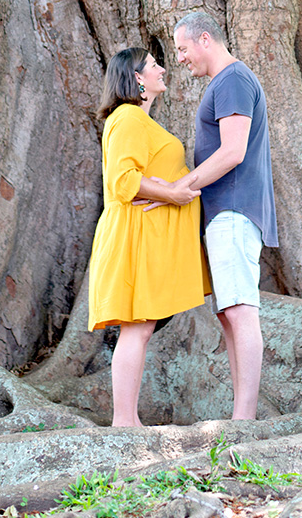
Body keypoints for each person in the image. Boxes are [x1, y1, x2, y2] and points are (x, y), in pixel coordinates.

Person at [87, 46, 209, 427]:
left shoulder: (139, 120)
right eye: (154, 65)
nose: (162, 69)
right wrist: (172, 193)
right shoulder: (126, 118)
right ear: (137, 77)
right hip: (133, 238)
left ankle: (128, 420)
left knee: (139, 330)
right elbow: (122, 180)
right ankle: (125, 422)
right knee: (136, 330)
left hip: (146, 239)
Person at [172, 11, 277, 420]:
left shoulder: (232, 79)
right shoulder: (227, 81)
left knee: (239, 309)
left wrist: (183, 188)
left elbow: (233, 152)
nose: (180, 58)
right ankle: (241, 413)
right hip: (224, 212)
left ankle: (244, 420)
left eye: (182, 49)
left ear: (204, 39)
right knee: (229, 311)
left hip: (233, 209)